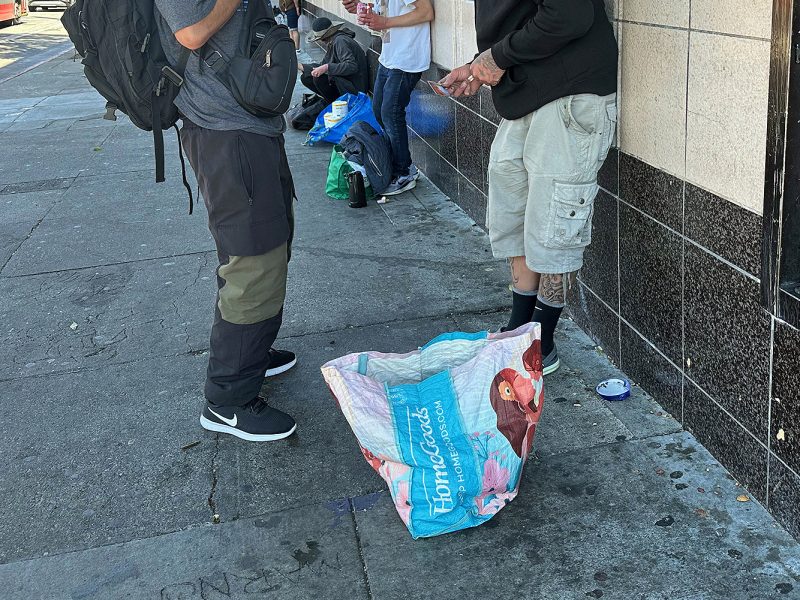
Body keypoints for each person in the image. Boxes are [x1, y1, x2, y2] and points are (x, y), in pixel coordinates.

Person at [441, 0, 618, 375]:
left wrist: (497, 58)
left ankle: (541, 345)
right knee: (515, 218)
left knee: (555, 226)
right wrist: (480, 65)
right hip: (525, 98)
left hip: (569, 95)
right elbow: (520, 18)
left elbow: (569, 14)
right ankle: (518, 332)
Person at [155, 0, 299, 442]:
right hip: (224, 129)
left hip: (248, 127)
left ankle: (251, 353)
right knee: (253, 260)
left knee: (270, 242)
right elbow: (191, 35)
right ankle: (228, 400)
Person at [341, 0, 433, 196]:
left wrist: (385, 22)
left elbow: (426, 12)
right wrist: (360, 6)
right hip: (390, 55)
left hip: (407, 56)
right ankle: (394, 164)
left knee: (390, 113)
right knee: (379, 110)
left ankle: (404, 171)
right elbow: (382, 11)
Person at [300, 17, 369, 104]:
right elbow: (323, 64)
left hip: (355, 87)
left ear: (323, 38)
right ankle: (330, 101)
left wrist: (327, 67)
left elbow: (351, 66)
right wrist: (303, 67)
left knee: (319, 79)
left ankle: (334, 103)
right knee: (306, 77)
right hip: (345, 80)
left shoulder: (340, 41)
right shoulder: (333, 41)